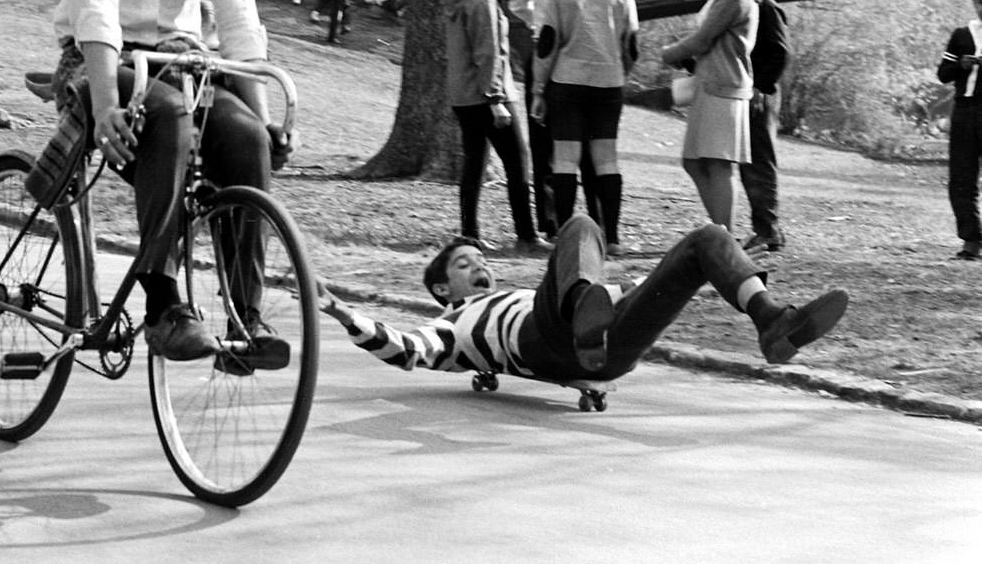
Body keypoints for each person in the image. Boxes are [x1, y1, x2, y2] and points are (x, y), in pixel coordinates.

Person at [49, 0, 295, 359]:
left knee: (241, 136)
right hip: (97, 61)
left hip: (183, 61)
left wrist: (263, 119)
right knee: (166, 112)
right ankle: (162, 303)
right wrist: (107, 103)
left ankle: (244, 317)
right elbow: (96, 7)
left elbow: (239, 23)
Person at [318, 214, 849, 379]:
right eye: (464, 264)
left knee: (706, 238)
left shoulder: (515, 292)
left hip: (610, 349)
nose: (480, 266)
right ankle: (582, 321)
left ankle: (772, 321)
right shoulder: (454, 324)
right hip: (545, 340)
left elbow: (625, 291)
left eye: (482, 260)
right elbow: (407, 350)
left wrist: (670, 283)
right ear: (441, 289)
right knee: (579, 225)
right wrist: (346, 315)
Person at [529, 0, 639, 257]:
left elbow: (547, 45)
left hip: (567, 84)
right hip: (608, 85)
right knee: (607, 159)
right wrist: (618, 72)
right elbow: (631, 47)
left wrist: (537, 91)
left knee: (565, 159)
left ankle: (565, 234)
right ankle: (613, 237)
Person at [443, 0, 548, 256]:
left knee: (474, 162)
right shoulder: (483, 2)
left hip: (463, 95)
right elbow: (488, 54)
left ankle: (469, 232)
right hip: (488, 96)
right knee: (518, 161)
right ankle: (527, 235)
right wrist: (496, 101)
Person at [507, 0, 606, 240]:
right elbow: (516, 3)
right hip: (546, 57)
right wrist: (537, 22)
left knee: (590, 147)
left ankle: (599, 223)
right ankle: (550, 224)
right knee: (544, 142)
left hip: (584, 58)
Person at [660, 0, 758, 230]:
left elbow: (702, 40)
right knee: (695, 162)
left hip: (724, 89)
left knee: (719, 164)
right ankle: (721, 234)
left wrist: (669, 53)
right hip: (713, 86)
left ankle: (725, 239)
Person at [740, 0, 791, 252]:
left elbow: (781, 52)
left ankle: (767, 230)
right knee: (752, 161)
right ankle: (769, 229)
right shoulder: (752, 6)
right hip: (755, 91)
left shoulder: (768, 8)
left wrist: (762, 86)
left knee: (759, 161)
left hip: (762, 94)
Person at [937, 0, 982, 260]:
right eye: (980, 2)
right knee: (962, 178)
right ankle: (972, 240)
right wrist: (961, 65)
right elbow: (943, 74)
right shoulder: (961, 34)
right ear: (974, 1)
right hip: (965, 111)